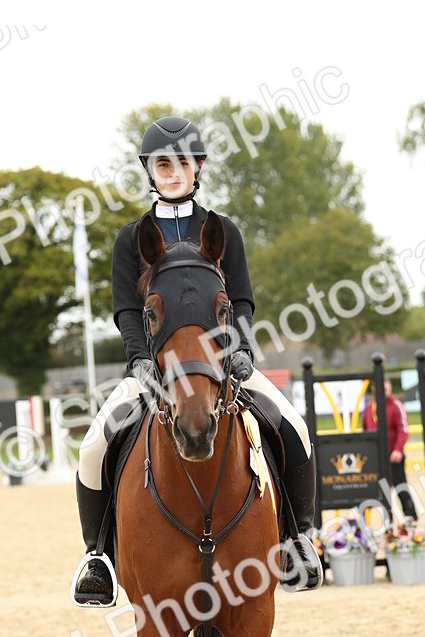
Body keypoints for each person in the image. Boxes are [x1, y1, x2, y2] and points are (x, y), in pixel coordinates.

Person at [71, 115, 322, 606]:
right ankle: (97, 556)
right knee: (92, 446)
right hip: (153, 368)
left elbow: (242, 301)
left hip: (223, 366)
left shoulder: (223, 229)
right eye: (162, 163)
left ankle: (298, 538)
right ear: (149, 169)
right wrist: (139, 361)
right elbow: (126, 309)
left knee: (293, 426)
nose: (172, 171)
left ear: (198, 166)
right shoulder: (131, 239)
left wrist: (242, 351)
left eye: (181, 162)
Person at [362, 378, 418, 519]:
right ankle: (389, 526)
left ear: (390, 387)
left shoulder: (395, 405)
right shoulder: (369, 408)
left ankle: (411, 522)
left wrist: (398, 450)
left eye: (385, 385)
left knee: (402, 490)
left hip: (394, 457)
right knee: (382, 495)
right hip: (377, 461)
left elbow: (403, 430)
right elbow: (365, 432)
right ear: (373, 389)